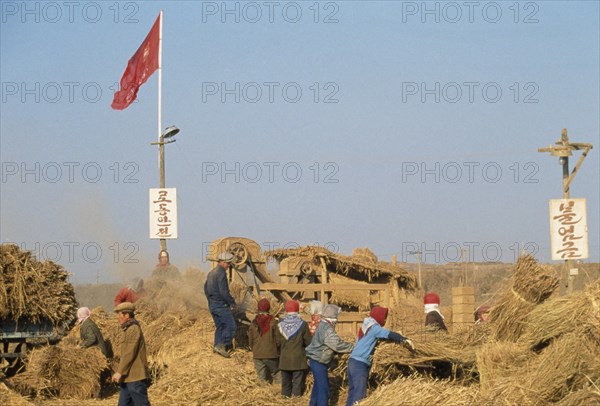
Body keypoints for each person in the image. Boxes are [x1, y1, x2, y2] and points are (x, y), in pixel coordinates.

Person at [346, 306, 414, 406]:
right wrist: (403, 339)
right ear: (378, 317)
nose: (385, 320)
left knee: (352, 392)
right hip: (359, 364)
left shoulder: (365, 326)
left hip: (352, 362)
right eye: (384, 317)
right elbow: (388, 334)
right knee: (359, 395)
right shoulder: (374, 328)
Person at [305, 304, 354, 406]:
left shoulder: (322, 325)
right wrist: (352, 347)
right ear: (332, 317)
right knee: (324, 390)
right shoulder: (327, 328)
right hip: (319, 361)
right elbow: (336, 344)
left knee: (317, 387)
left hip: (314, 359)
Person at [111, 302, 150, 406]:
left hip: (135, 377)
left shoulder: (133, 329)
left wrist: (119, 372)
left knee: (141, 403)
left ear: (127, 315)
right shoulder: (127, 329)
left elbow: (129, 353)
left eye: (119, 314)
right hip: (127, 377)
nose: (118, 317)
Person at [275, 300, 312, 397]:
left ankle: (285, 397)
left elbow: (277, 342)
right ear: (297, 310)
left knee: (285, 382)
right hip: (298, 359)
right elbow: (309, 341)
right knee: (297, 382)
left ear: (286, 310)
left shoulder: (279, 324)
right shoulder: (302, 324)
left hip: (284, 358)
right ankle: (296, 399)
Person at [204, 252, 237, 358]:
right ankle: (222, 345)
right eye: (228, 263)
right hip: (221, 305)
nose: (228, 266)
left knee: (220, 326)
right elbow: (224, 292)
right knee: (231, 326)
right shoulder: (221, 273)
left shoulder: (211, 273)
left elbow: (205, 288)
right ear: (222, 262)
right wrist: (232, 302)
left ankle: (216, 346)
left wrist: (210, 301)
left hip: (212, 305)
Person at [248, 298, 280, 383]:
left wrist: (254, 349)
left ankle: (263, 392)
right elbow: (278, 339)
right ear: (269, 308)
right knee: (276, 373)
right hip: (271, 354)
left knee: (261, 377)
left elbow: (250, 340)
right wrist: (278, 350)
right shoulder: (274, 322)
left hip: (258, 354)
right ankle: (278, 391)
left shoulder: (253, 323)